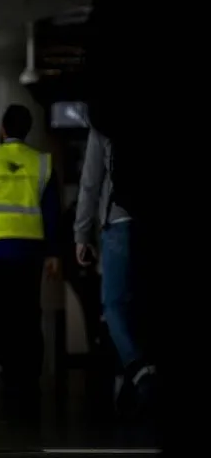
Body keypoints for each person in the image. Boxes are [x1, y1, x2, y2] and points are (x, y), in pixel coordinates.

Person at [0, 104, 60, 407]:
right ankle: (30, 379)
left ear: (3, 128)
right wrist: (54, 253)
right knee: (29, 314)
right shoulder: (42, 162)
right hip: (31, 250)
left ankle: (10, 377)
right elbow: (52, 212)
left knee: (1, 316)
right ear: (27, 129)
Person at [73, 126, 152, 410]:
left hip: (119, 222)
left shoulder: (105, 124)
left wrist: (82, 235)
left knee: (115, 306)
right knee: (142, 305)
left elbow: (91, 183)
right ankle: (131, 384)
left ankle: (140, 371)